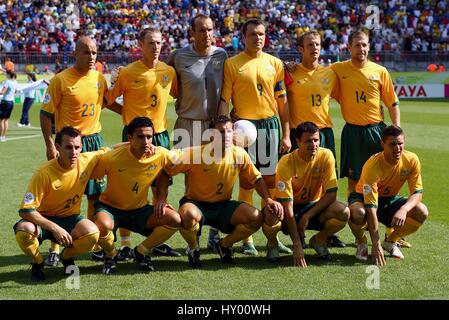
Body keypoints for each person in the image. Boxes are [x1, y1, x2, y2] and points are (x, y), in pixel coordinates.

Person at [162, 115, 283, 268]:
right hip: (196, 204)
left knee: (256, 217)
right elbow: (166, 170)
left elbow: (257, 179)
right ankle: (193, 249)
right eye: (220, 132)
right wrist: (161, 199)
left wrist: (268, 199)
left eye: (229, 131)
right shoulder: (195, 153)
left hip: (223, 206)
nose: (226, 135)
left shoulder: (239, 154)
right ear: (211, 135)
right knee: (188, 215)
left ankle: (224, 245)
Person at [218, 19, 292, 255]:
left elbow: (283, 103)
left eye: (261, 34)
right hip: (243, 129)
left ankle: (271, 237)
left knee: (270, 185)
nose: (257, 38)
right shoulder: (232, 64)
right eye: (252, 34)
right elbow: (224, 100)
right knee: (247, 182)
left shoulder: (275, 63)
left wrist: (286, 134)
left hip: (270, 127)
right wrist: (223, 132)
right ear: (243, 36)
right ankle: (246, 239)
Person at [106, 27, 180, 259]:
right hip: (133, 138)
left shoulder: (169, 71)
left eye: (159, 42)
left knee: (160, 187)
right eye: (151, 42)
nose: (156, 46)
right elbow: (107, 100)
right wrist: (128, 118)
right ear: (140, 44)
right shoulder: (127, 72)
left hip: (160, 135)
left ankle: (154, 241)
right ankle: (126, 243)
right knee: (127, 190)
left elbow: (178, 95)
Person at [40, 36, 109, 264]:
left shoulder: (99, 78)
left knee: (96, 196)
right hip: (70, 143)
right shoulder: (60, 80)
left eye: (95, 53)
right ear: (75, 54)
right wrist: (51, 144)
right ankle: (55, 247)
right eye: (86, 52)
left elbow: (106, 102)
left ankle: (96, 243)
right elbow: (45, 114)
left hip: (94, 142)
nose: (91, 57)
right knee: (62, 195)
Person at [330, 29, 401, 246]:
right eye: (357, 45)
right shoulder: (338, 69)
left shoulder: (380, 71)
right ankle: (359, 235)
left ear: (369, 47)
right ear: (349, 47)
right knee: (355, 182)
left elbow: (392, 103)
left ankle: (392, 231)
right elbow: (315, 75)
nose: (361, 49)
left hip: (377, 131)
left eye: (365, 45)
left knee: (386, 178)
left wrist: (396, 130)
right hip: (353, 132)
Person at [166, 14, 230, 252]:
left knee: (217, 177)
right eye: (202, 30)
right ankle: (192, 233)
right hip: (186, 123)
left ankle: (215, 232)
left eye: (210, 30)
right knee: (188, 179)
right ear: (192, 33)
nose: (207, 34)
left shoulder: (221, 55)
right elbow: (157, 74)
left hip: (214, 125)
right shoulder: (178, 56)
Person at [13, 126, 108, 281]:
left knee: (92, 234)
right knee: (24, 229)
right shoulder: (44, 173)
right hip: (43, 220)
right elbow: (25, 211)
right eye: (68, 147)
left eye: (77, 147)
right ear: (57, 147)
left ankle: (67, 256)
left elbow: (110, 150)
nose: (74, 152)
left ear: (81, 147)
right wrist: (55, 228)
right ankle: (38, 262)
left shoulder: (86, 160)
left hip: (70, 219)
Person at [91, 117, 181, 274]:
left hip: (139, 211)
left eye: (149, 137)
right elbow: (87, 173)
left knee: (174, 219)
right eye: (140, 137)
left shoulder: (160, 154)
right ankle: (111, 255)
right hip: (111, 209)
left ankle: (141, 252)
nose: (146, 141)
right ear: (129, 138)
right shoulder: (112, 158)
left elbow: (167, 170)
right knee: (101, 225)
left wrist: (160, 198)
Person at [285, 30, 345, 248]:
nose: (315, 48)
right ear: (301, 49)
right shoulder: (290, 73)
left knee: (325, 182)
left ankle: (324, 230)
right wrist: (285, 64)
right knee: (297, 180)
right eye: (310, 45)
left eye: (317, 44)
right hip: (298, 134)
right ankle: (296, 226)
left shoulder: (330, 73)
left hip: (324, 132)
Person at [266, 122, 349, 266]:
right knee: (269, 215)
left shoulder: (326, 155)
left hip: (313, 208)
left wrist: (307, 216)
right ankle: (272, 244)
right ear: (297, 141)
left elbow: (331, 194)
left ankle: (318, 241)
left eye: (316, 140)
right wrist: (297, 245)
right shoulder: (286, 162)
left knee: (344, 212)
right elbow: (287, 206)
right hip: (288, 208)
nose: (313, 144)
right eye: (308, 141)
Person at [348, 125, 428, 265]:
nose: (397, 148)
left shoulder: (412, 159)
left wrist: (404, 209)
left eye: (400, 143)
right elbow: (371, 207)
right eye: (392, 144)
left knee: (421, 211)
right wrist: (375, 243)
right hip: (362, 198)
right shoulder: (372, 166)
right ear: (382, 144)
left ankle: (391, 241)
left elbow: (417, 192)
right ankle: (361, 242)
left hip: (390, 199)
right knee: (358, 212)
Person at [0, 71, 18, 142]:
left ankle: (1, 136)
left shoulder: (7, 82)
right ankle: (3, 136)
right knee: (6, 120)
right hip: (11, 102)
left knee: (1, 120)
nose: (5, 75)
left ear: (9, 75)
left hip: (5, 102)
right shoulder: (15, 82)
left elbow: (2, 92)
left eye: (6, 74)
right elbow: (16, 91)